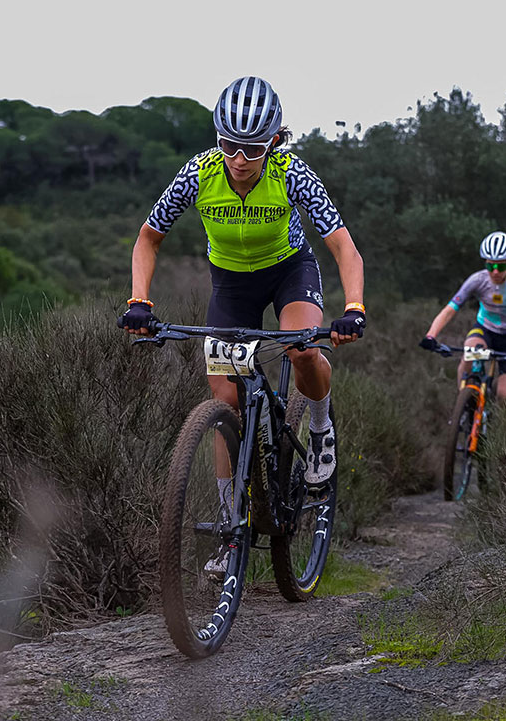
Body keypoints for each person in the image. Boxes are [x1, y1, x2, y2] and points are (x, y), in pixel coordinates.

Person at [118, 76, 365, 572]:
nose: (238, 158)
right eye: (228, 144)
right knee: (224, 403)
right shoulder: (199, 173)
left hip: (290, 271)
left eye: (251, 148)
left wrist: (354, 307)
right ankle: (232, 527)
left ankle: (319, 428)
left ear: (273, 141)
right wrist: (139, 300)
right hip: (231, 285)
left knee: (302, 350)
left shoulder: (292, 173)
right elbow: (148, 238)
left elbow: (342, 244)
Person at [420, 232, 506, 402]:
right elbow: (450, 309)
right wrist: (430, 335)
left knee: (505, 393)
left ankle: (495, 423)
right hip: (485, 330)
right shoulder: (477, 280)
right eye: (490, 265)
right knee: (469, 355)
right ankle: (463, 405)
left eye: (500, 267)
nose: (494, 272)